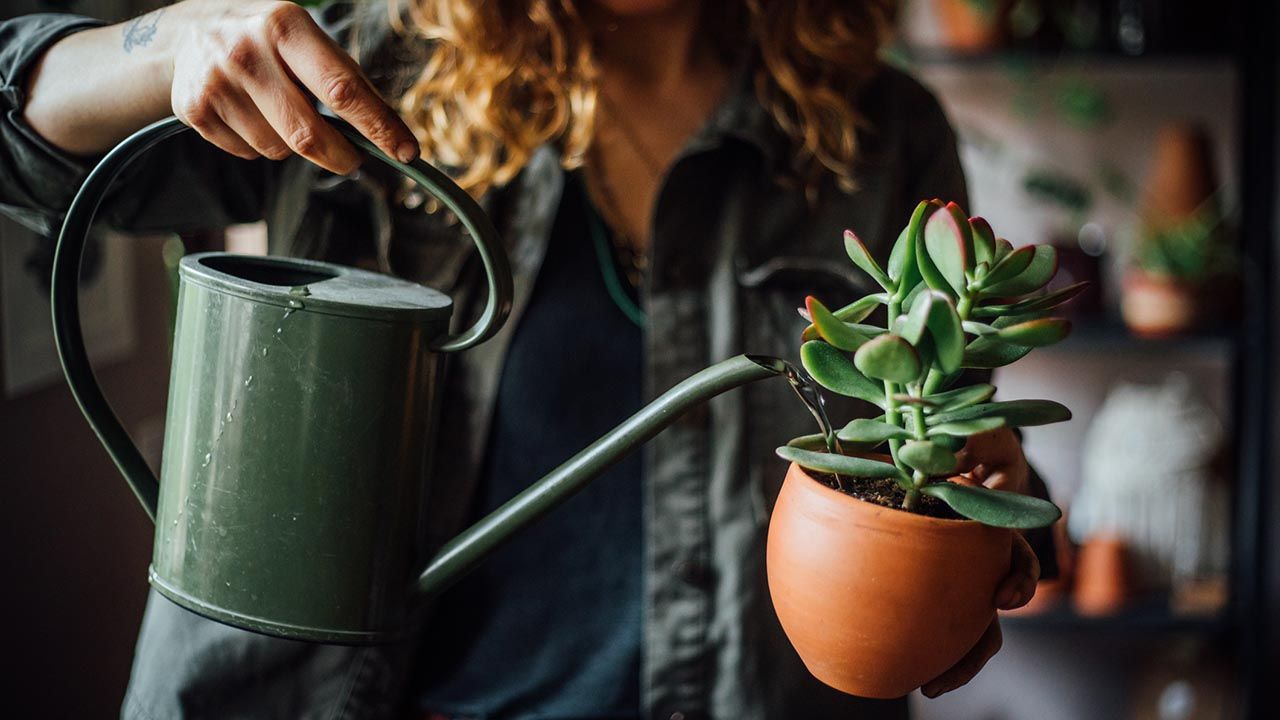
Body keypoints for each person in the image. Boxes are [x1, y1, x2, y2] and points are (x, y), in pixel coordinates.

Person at [0, 1, 1055, 718]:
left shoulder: (879, 131)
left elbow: (960, 441)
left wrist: (982, 517)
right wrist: (171, 37)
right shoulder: (361, 66)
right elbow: (23, 140)